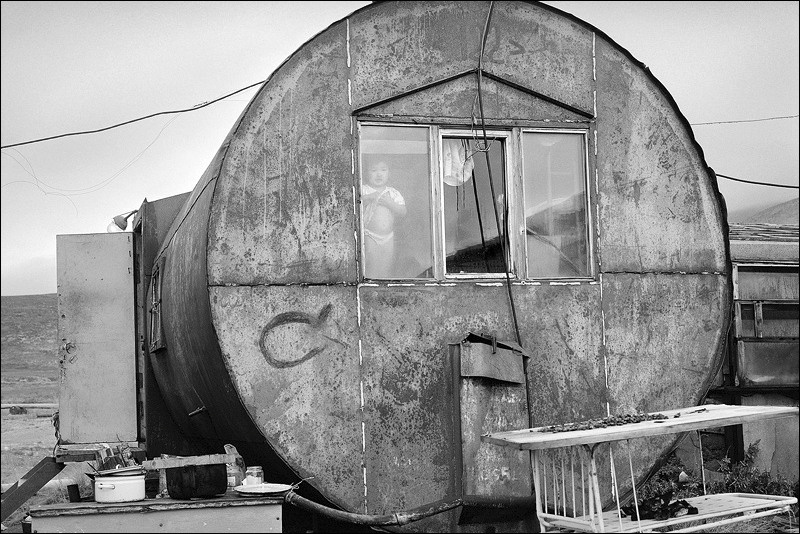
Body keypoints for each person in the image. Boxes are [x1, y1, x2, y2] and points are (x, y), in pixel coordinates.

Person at [361, 159, 407, 278]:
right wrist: (367, 198)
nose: (379, 174)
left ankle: (383, 283)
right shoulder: (364, 189)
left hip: (388, 236)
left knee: (387, 264)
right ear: (366, 173)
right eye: (374, 170)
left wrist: (390, 204)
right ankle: (370, 282)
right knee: (371, 262)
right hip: (369, 234)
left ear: (389, 173)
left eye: (383, 170)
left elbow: (403, 212)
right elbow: (356, 205)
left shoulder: (392, 193)